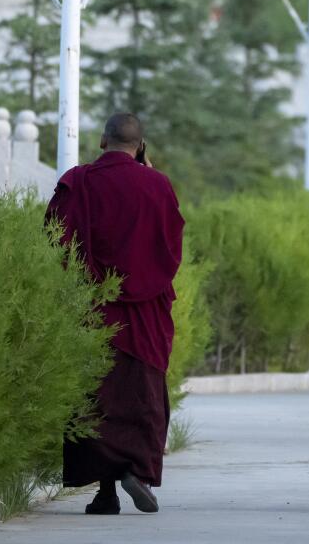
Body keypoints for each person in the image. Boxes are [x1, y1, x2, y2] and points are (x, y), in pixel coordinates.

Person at [45, 112, 185, 515]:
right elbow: (170, 247)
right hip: (145, 315)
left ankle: (104, 493)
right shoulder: (158, 185)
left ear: (103, 142)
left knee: (96, 397)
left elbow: (56, 237)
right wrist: (151, 179)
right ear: (140, 146)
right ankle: (136, 473)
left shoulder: (80, 181)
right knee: (141, 396)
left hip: (93, 309)